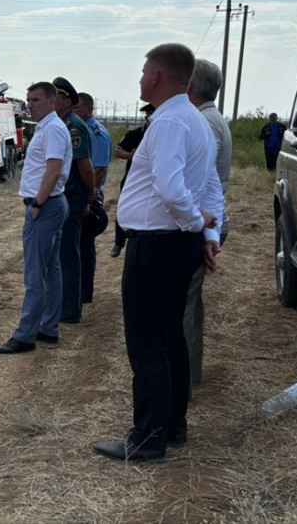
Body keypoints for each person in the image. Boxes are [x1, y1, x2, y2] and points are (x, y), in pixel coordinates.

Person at [92, 43, 223, 462]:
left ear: (157, 77)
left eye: (144, 69)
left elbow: (172, 189)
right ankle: (173, 426)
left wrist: (194, 224)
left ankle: (148, 437)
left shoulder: (169, 122)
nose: (140, 76)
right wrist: (204, 236)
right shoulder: (195, 120)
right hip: (177, 243)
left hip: (158, 244)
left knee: (147, 343)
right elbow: (211, 188)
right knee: (170, 340)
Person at [0, 82, 72, 354]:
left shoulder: (53, 129)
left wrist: (37, 203)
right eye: (28, 99)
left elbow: (53, 168)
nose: (30, 104)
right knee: (50, 269)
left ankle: (25, 336)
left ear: (52, 101)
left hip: (46, 205)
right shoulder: (49, 128)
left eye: (36, 99)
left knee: (36, 274)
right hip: (50, 204)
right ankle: (48, 327)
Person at [184, 59, 233, 389]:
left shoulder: (205, 123)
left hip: (203, 222)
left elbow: (203, 179)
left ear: (190, 87)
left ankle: (182, 381)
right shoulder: (212, 117)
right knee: (192, 303)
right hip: (207, 220)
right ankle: (190, 374)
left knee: (183, 306)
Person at [53, 77, 94, 324]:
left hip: (72, 197)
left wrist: (90, 194)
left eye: (55, 96)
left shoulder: (73, 127)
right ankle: (65, 303)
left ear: (67, 100)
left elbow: (85, 167)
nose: (51, 100)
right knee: (62, 253)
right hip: (64, 197)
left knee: (69, 254)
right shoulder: (62, 124)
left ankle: (70, 309)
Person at [74, 92, 113, 304]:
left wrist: (89, 198)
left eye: (77, 108)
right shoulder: (83, 129)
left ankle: (83, 293)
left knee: (83, 246)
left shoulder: (94, 132)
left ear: (89, 109)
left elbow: (97, 169)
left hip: (88, 196)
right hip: (83, 194)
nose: (74, 112)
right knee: (79, 245)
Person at [109, 105, 154, 258]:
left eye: (152, 113)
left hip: (152, 182)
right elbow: (118, 151)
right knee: (123, 208)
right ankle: (119, 242)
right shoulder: (136, 134)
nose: (148, 117)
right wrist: (132, 156)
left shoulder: (164, 134)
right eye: (147, 114)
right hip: (131, 180)